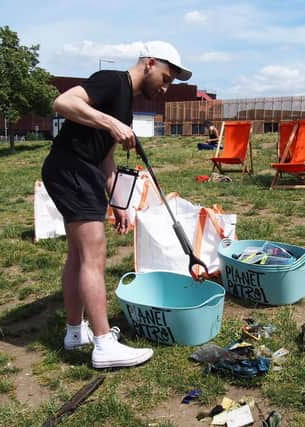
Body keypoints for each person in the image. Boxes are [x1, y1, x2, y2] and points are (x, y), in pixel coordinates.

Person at [41, 41, 192, 369]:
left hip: (78, 171)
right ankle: (104, 344)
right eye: (166, 78)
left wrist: (119, 203)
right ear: (150, 63)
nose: (166, 87)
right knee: (93, 255)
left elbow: (105, 158)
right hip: (71, 170)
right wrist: (111, 124)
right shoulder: (112, 81)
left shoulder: (125, 104)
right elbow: (62, 102)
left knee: (78, 255)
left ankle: (74, 332)